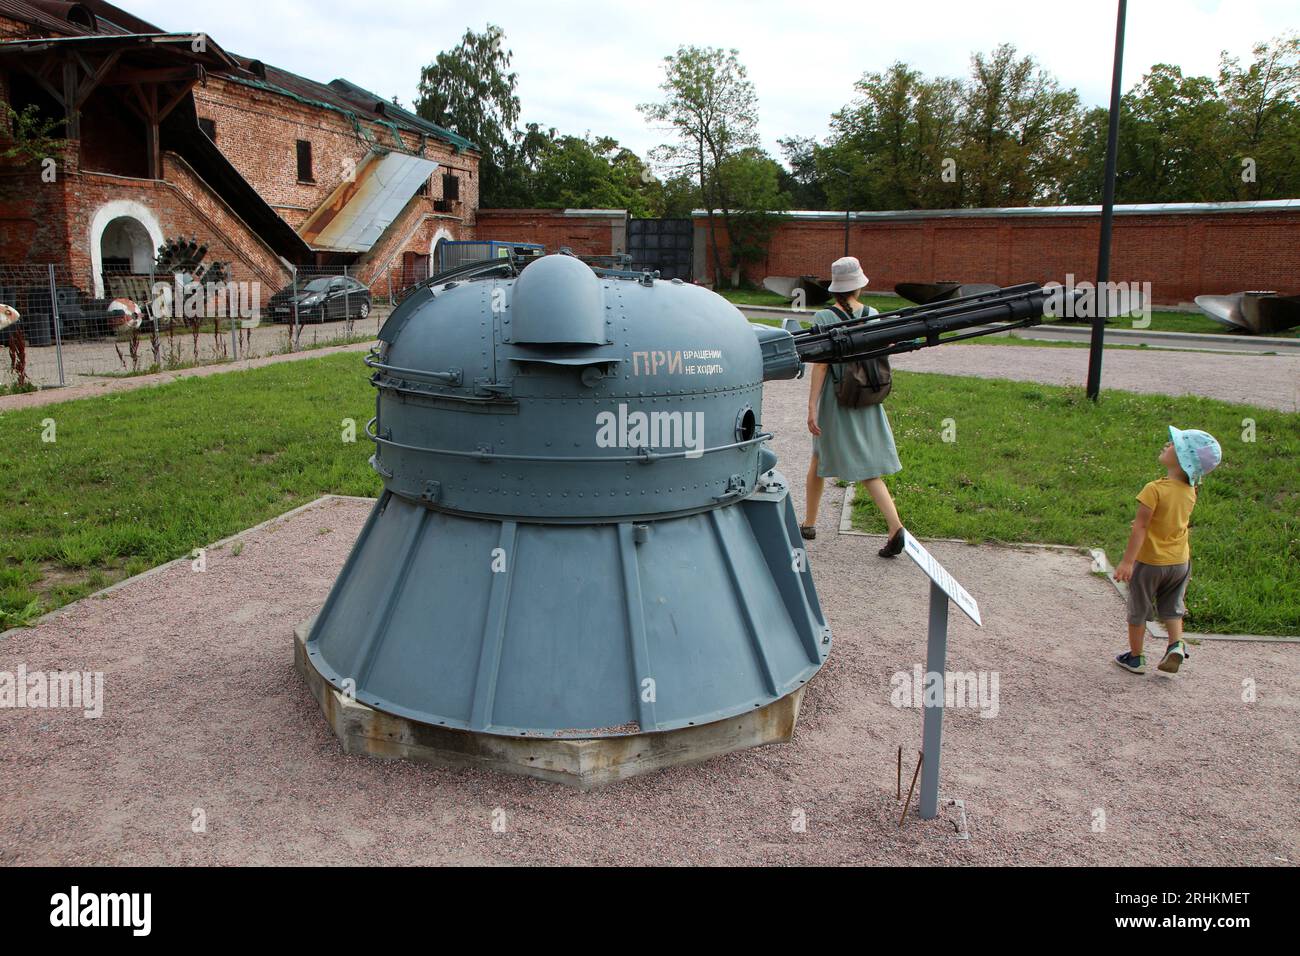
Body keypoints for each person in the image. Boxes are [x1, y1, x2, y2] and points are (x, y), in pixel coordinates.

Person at [800, 256, 905, 558]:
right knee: (843, 462)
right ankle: (811, 523)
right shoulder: (873, 314)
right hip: (867, 397)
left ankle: (893, 527)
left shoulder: (823, 318)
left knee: (833, 460)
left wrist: (811, 407)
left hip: (838, 398)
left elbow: (820, 366)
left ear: (835, 289)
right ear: (858, 286)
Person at [1113, 426, 1222, 675]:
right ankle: (1175, 644)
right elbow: (1170, 520)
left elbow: (1140, 527)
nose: (1167, 444)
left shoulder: (1154, 489)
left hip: (1150, 561)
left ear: (1183, 458)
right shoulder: (1190, 490)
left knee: (1138, 608)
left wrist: (1128, 562)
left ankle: (1135, 657)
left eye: (1173, 444)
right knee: (1172, 607)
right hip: (1179, 561)